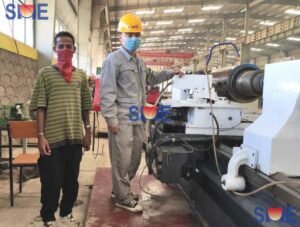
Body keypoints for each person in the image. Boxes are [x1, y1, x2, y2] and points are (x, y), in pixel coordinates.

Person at [100, 13, 184, 213]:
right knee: (122, 159)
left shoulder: (139, 62)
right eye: (129, 34)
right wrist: (111, 120)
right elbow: (106, 92)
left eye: (136, 34)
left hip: (138, 117)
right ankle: (122, 197)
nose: (133, 38)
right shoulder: (113, 60)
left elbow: (152, 78)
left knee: (135, 158)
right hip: (121, 119)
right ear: (121, 36)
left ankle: (120, 190)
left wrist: (171, 72)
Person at [30, 31, 92, 227]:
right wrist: (40, 136)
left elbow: (85, 105)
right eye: (61, 46)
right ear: (55, 49)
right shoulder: (45, 74)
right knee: (51, 182)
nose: (65, 49)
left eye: (69, 46)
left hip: (74, 139)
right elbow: (40, 105)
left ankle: (66, 214)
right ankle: (48, 217)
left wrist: (88, 131)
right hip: (52, 139)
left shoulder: (80, 76)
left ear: (74, 49)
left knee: (71, 182)